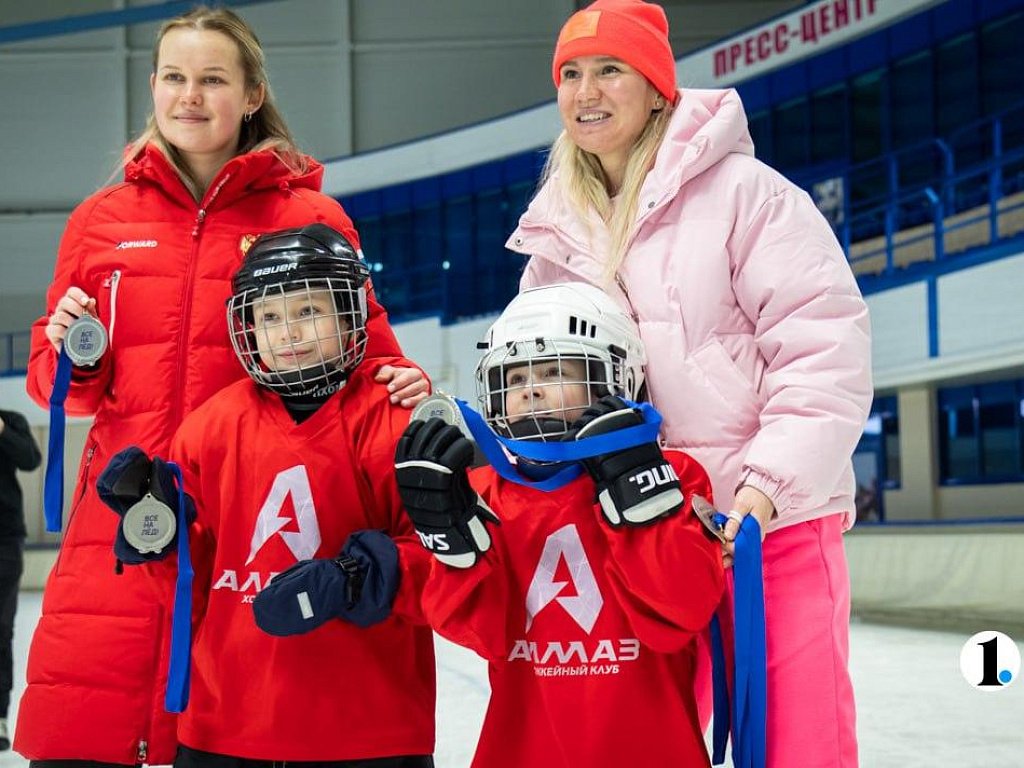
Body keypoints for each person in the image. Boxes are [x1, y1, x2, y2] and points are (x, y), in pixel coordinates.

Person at [19, 7, 426, 766]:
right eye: (174, 77)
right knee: (88, 741)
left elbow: (372, 361)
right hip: (123, 517)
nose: (190, 96)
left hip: (250, 526)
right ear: (153, 87)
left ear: (251, 94)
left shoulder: (307, 215)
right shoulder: (101, 221)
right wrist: (65, 349)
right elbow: (65, 393)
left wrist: (412, 390)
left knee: (223, 739)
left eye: (212, 79)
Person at [507, 2, 872, 766]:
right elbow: (540, 387)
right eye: (570, 74)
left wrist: (765, 488)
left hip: (763, 530)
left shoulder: (748, 196)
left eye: (610, 69)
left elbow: (823, 353)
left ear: (657, 88)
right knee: (646, 745)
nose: (586, 90)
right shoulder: (557, 232)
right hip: (639, 536)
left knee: (796, 745)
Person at [97, 224, 436, 768]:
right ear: (247, 328)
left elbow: (448, 568)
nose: (289, 334)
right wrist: (160, 544)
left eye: (309, 311)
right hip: (222, 728)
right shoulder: (208, 428)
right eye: (270, 317)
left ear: (351, 316)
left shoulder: (393, 419)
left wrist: (357, 578)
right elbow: (197, 592)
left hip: (367, 731)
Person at [395, 283, 724, 767]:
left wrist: (638, 484)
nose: (530, 388)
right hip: (521, 751)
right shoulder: (483, 492)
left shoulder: (675, 471)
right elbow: (484, 638)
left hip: (650, 749)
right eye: (514, 377)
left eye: (555, 371)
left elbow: (681, 615)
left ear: (615, 377)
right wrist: (450, 541)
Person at [0, 410, 42, 751]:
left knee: (1, 630)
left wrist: (1, 430)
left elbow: (30, 459)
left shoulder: (11, 420)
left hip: (4, 541)